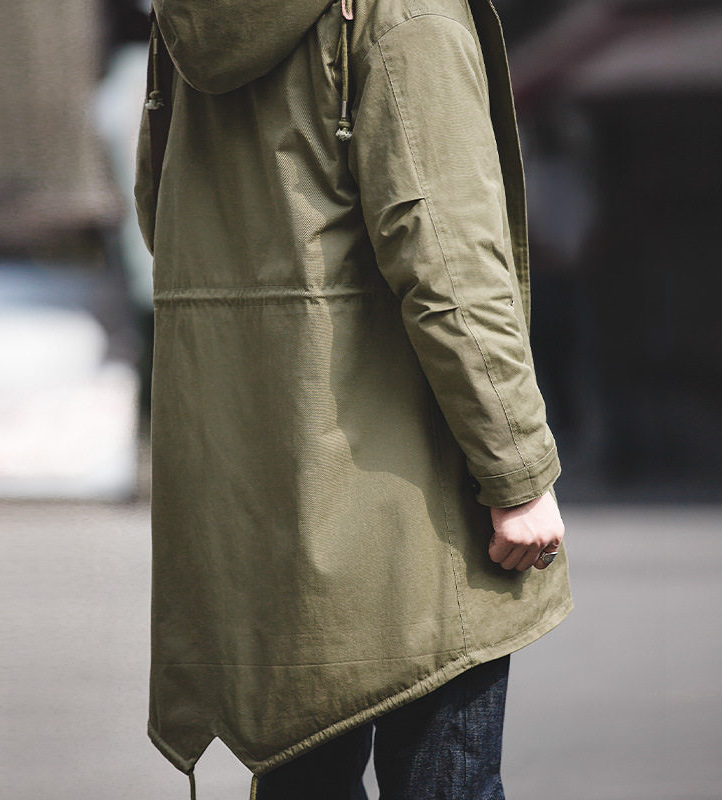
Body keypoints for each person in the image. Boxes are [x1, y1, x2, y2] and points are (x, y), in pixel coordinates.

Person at [134, 0, 573, 797]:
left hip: (264, 496)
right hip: (416, 513)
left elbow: (157, 213)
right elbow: (449, 261)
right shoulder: (408, 11)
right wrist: (518, 472)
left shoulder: (188, 20)